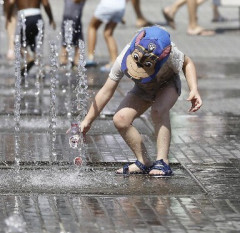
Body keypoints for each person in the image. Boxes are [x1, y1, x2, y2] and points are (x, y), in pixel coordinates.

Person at [80, 26, 203, 177]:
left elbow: (188, 63)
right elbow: (106, 91)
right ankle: (143, 161)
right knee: (120, 119)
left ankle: (162, 161)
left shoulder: (171, 54)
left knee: (158, 110)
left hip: (168, 84)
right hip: (143, 89)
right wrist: (88, 120)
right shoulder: (124, 57)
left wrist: (194, 89)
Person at [5, 0, 56, 75]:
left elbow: (11, 2)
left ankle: (27, 57)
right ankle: (40, 69)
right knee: (37, 45)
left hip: (23, 18)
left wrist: (8, 16)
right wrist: (51, 18)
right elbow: (46, 3)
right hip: (37, 17)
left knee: (18, 42)